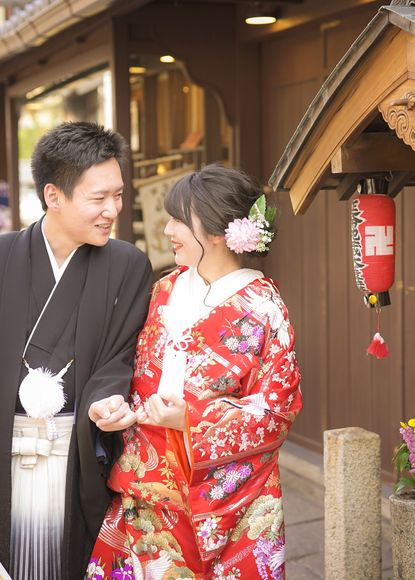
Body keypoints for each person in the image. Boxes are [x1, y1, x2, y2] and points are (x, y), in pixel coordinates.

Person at [89, 164, 302, 579]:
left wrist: (189, 418)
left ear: (219, 231)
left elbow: (277, 411)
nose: (168, 229)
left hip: (223, 495)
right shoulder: (164, 289)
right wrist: (119, 404)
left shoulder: (264, 308)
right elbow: (131, 367)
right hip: (144, 484)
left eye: (179, 220)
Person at [0, 121, 153, 580]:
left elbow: (120, 355)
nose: (113, 210)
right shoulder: (3, 257)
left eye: (118, 195)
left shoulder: (128, 265)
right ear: (54, 195)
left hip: (77, 454)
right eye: (98, 197)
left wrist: (107, 399)